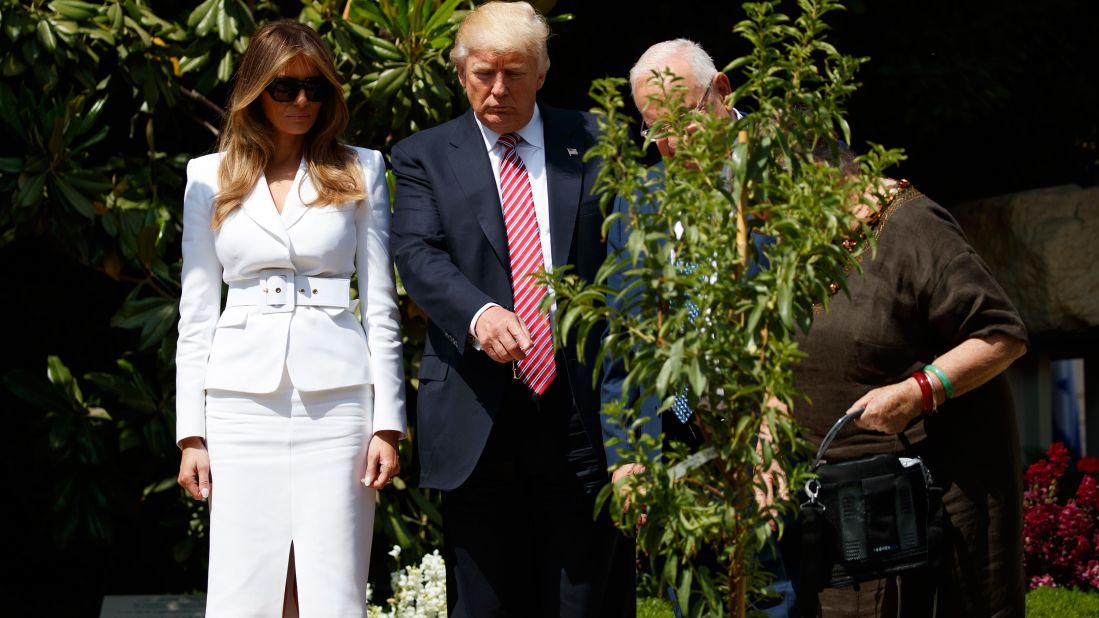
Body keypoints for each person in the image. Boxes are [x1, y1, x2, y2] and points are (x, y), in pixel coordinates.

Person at [389, 2, 627, 616]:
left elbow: (627, 259)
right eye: (483, 73)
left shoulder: (595, 140)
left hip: (578, 408)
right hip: (477, 408)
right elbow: (416, 252)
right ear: (461, 74)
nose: (498, 89)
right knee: (486, 606)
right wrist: (479, 314)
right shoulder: (425, 156)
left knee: (580, 600)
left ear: (543, 72)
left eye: (515, 73)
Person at [174, 20, 406, 617]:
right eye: (284, 88)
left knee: (331, 583)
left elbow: (380, 302)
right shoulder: (208, 176)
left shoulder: (362, 168)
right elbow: (196, 312)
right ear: (256, 92)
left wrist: (388, 424)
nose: (301, 100)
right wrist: (191, 434)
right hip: (238, 405)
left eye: (314, 88)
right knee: (246, 586)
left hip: (339, 406)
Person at [600, 39, 795, 617]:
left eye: (683, 119)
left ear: (722, 91)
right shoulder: (638, 203)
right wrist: (627, 455)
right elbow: (624, 343)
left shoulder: (788, 177)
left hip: (772, 446)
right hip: (681, 453)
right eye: (654, 129)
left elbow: (822, 320)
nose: (672, 142)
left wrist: (774, 429)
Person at [790, 168, 1028, 616]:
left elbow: (1002, 333)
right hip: (834, 500)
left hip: (928, 495)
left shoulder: (913, 225)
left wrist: (918, 390)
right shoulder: (786, 240)